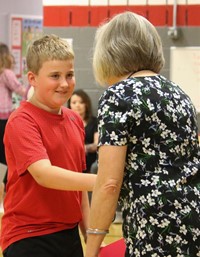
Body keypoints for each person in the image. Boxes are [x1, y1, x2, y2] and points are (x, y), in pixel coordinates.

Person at [85, 11, 200, 257]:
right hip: (192, 220)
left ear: (111, 52)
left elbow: (109, 182)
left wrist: (91, 249)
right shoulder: (180, 94)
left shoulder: (119, 95)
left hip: (152, 226)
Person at [1, 34, 96, 257]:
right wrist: (105, 181)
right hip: (28, 236)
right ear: (32, 78)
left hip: (68, 233)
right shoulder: (21, 120)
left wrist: (90, 234)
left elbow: (78, 185)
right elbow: (45, 175)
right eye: (55, 76)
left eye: (69, 75)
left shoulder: (74, 120)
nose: (64, 83)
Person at [0, 43, 27, 200]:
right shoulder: (7, 73)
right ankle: (6, 192)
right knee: (5, 155)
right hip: (3, 118)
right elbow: (20, 90)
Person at [68, 89, 98, 173]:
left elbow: (97, 144)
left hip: (90, 159)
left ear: (86, 104)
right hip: (72, 158)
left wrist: (85, 148)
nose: (77, 105)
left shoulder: (94, 121)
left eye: (81, 102)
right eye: (74, 103)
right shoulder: (65, 122)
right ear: (69, 105)